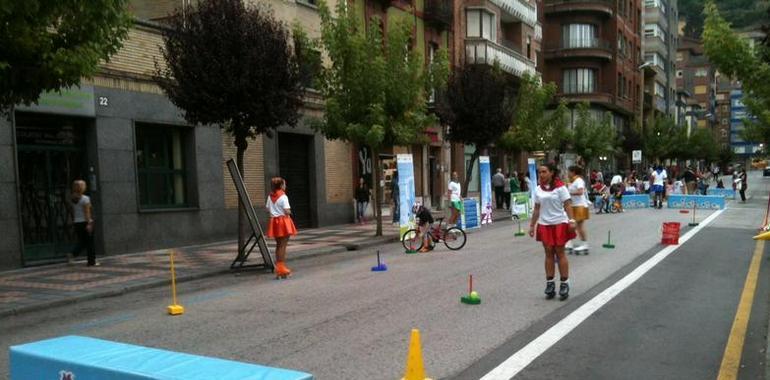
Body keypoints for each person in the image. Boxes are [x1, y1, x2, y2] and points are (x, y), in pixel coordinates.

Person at [528, 163, 576, 300]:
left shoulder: (561, 188)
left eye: (544, 172)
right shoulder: (538, 189)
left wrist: (571, 220)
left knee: (560, 252)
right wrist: (532, 225)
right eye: (539, 172)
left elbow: (567, 204)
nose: (541, 175)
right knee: (548, 252)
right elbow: (537, 209)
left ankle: (564, 283)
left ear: (551, 173)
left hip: (559, 223)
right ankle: (550, 283)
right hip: (544, 224)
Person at [266, 177, 297, 277]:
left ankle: (279, 268)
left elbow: (267, 208)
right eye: (284, 184)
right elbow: (287, 210)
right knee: (283, 245)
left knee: (278, 245)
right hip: (283, 221)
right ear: (280, 185)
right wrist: (289, 212)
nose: (285, 186)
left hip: (274, 221)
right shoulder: (283, 196)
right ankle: (281, 268)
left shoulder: (270, 196)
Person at [67, 180, 98, 266]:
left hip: (77, 222)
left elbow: (72, 211)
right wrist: (89, 223)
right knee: (90, 242)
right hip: (85, 222)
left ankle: (73, 254)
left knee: (82, 241)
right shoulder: (85, 198)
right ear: (82, 188)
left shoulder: (72, 199)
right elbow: (87, 212)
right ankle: (92, 262)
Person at [567, 166, 590, 253]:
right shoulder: (571, 181)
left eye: (568, 172)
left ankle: (584, 244)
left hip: (581, 206)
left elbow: (581, 192)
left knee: (577, 226)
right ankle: (570, 242)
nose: (567, 173)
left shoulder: (579, 180)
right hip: (574, 206)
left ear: (573, 172)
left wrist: (569, 193)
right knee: (574, 225)